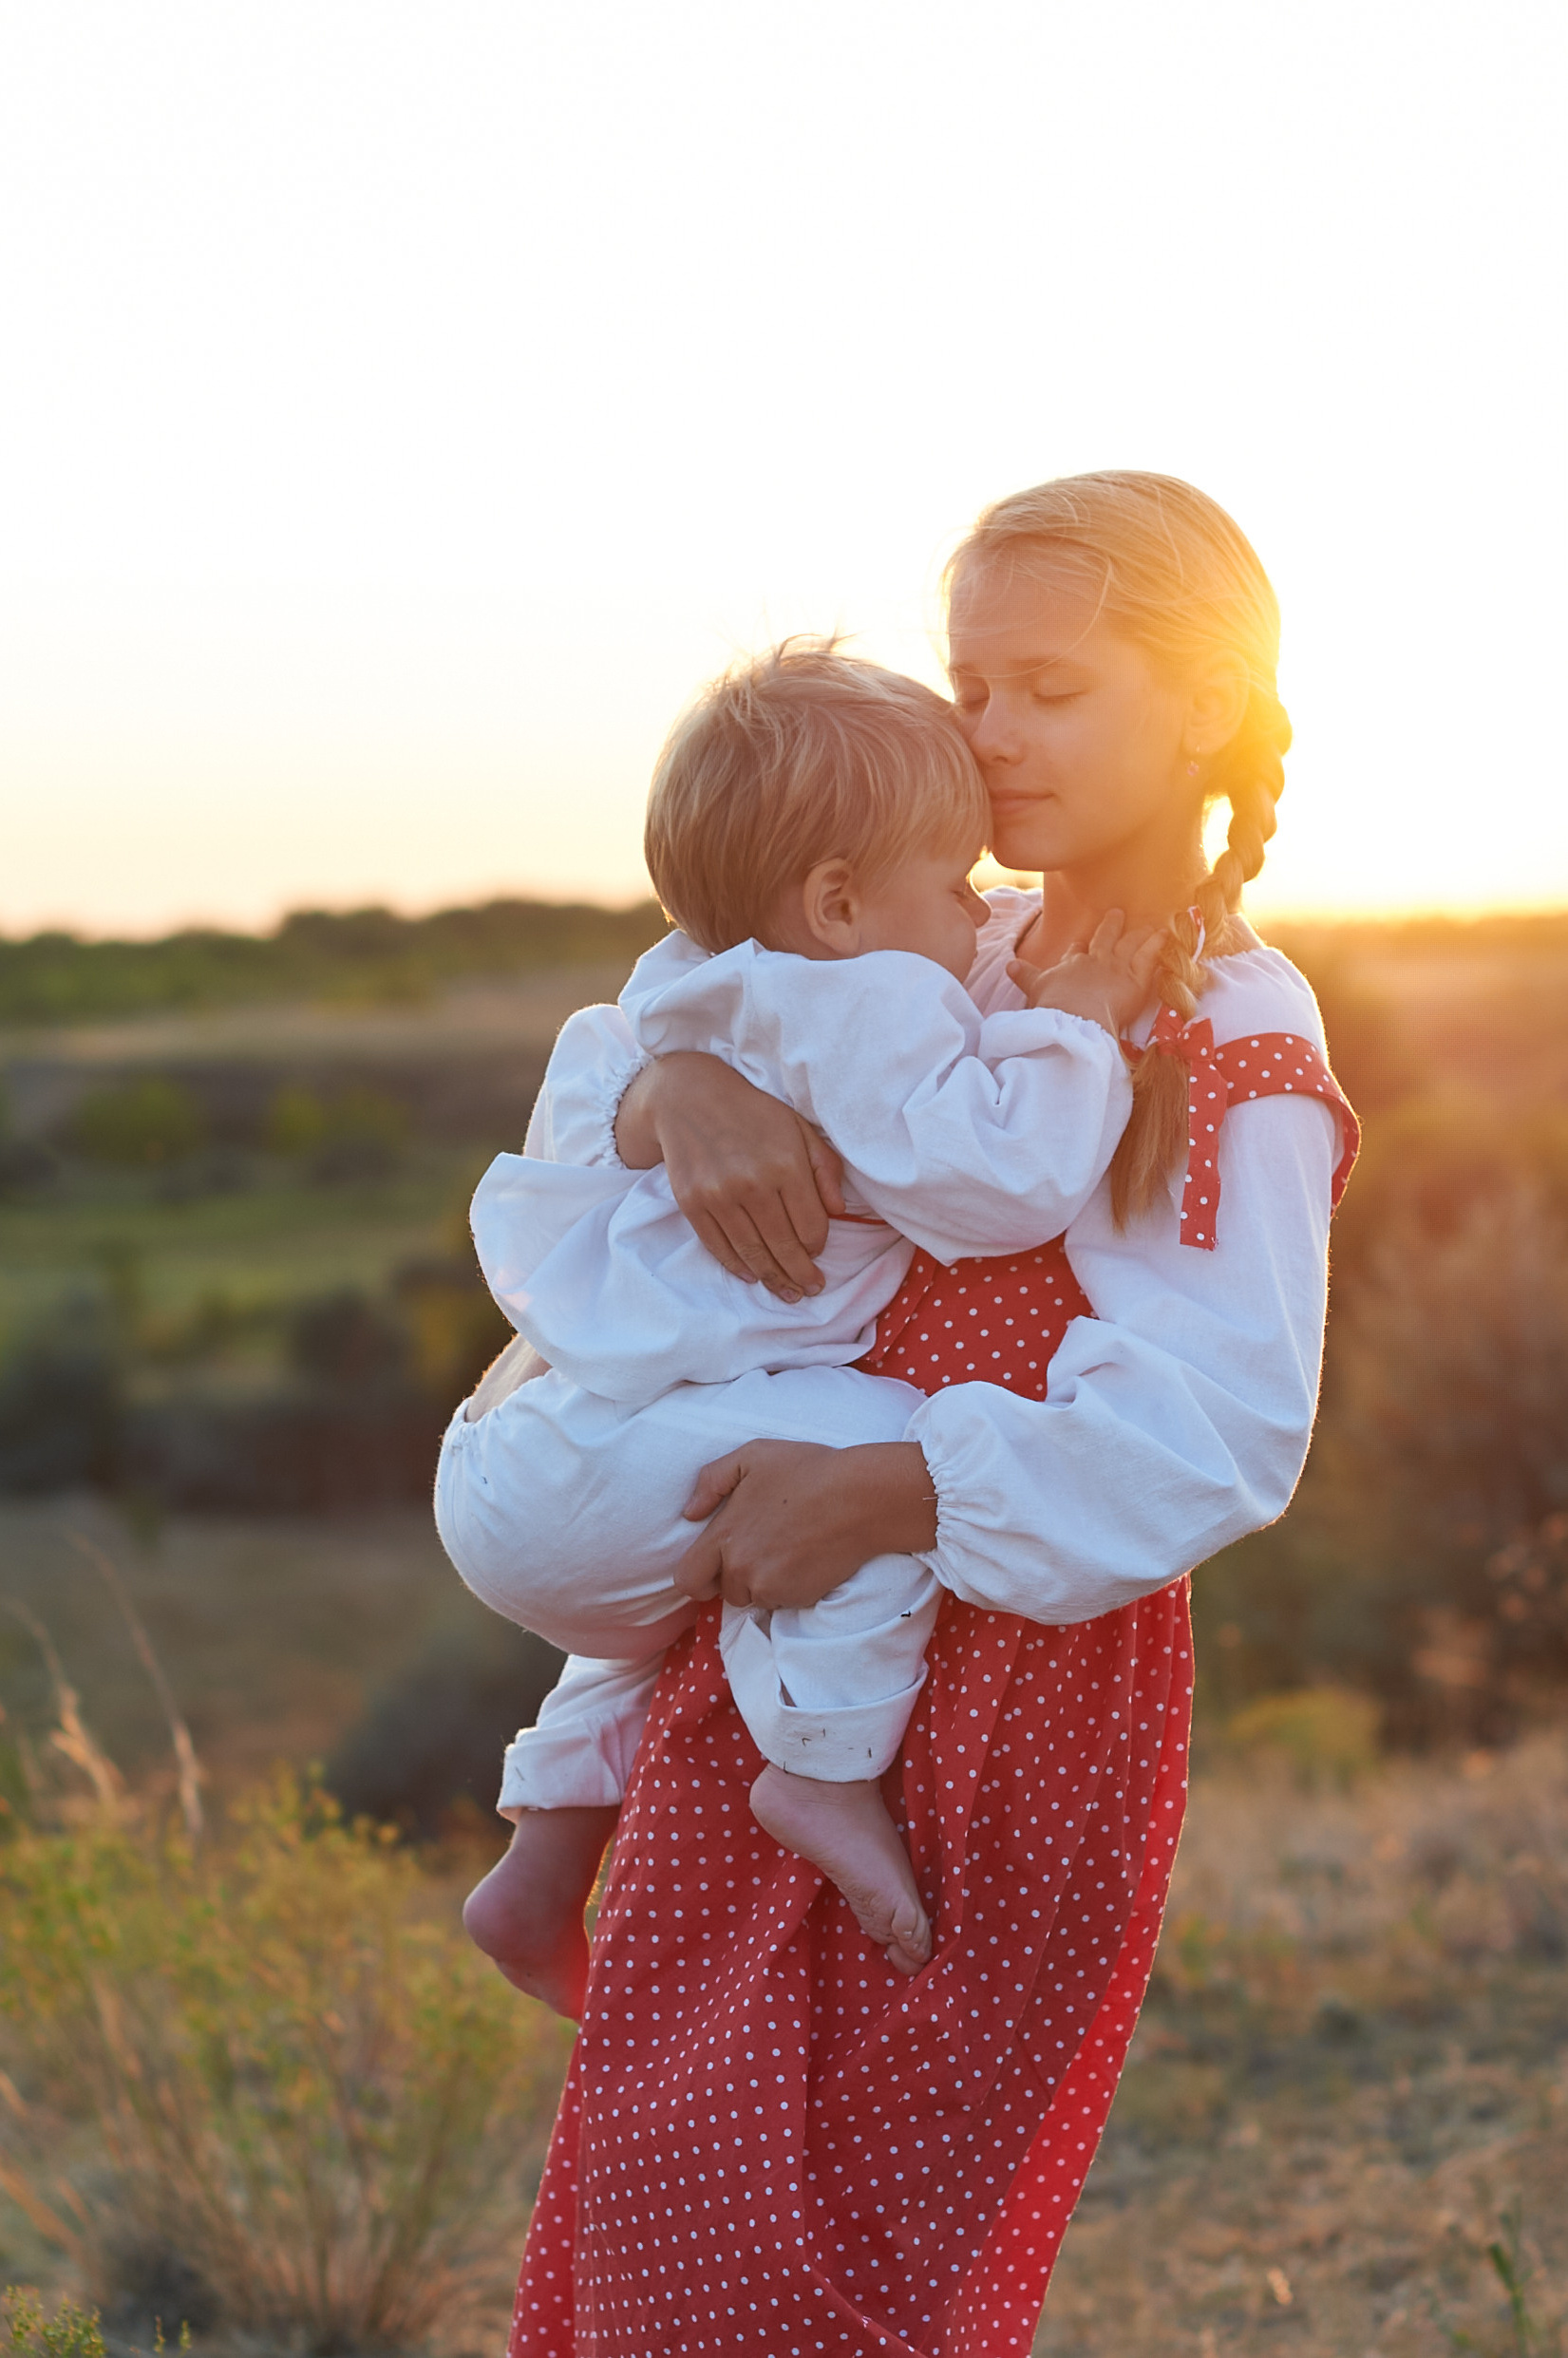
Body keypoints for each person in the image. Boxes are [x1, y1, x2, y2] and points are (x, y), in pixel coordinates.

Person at [462, 471, 1359, 2356]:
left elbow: (1222, 1427)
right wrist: (671, 1099)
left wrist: (887, 1481)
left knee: (853, 2262)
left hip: (1006, 1707)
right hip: (770, 1663)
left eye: (1049, 685)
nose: (990, 732)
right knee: (660, 2204)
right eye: (970, 681)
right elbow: (673, 1035)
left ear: (1199, 703)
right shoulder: (936, 942)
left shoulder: (1225, 1035)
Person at [439, 641, 1162, 1986]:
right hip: (596, 1456)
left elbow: (598, 1080)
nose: (977, 907)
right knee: (899, 1447)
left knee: (684, 1588)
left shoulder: (688, 980)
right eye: (954, 885)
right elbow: (1001, 1187)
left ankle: (540, 1861)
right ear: (837, 903)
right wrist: (1074, 1028)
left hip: (539, 1453)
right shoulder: (867, 1003)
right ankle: (823, 1765)